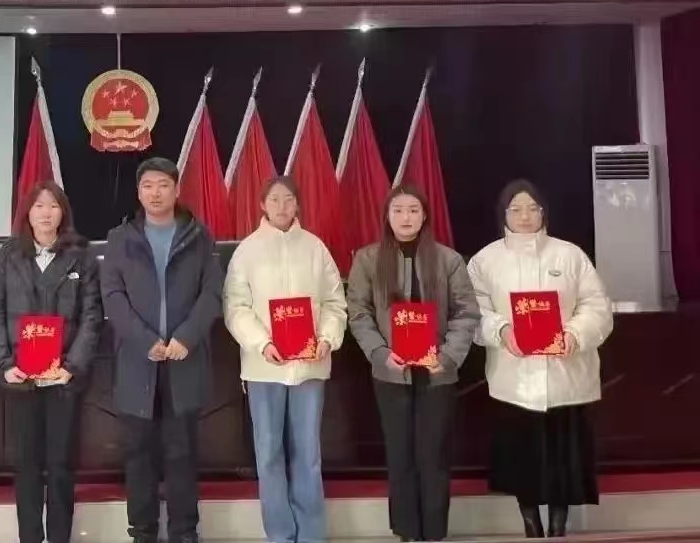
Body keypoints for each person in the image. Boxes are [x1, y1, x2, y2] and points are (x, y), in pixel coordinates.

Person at [468, 180, 613, 539]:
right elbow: (473, 311)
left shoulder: (570, 255)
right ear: (503, 215)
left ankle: (559, 528)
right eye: (516, 209)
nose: (525, 216)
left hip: (566, 377)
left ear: (544, 212)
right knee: (524, 462)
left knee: (564, 462)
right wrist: (503, 331)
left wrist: (574, 335)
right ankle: (531, 526)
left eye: (533, 208)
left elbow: (597, 306)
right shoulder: (485, 261)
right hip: (513, 381)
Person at [346, 184, 480, 543]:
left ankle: (434, 533)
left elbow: (467, 313)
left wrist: (448, 356)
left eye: (413, 210)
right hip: (391, 373)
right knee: (400, 454)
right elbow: (358, 313)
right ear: (387, 217)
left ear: (425, 217)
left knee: (433, 455)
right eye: (398, 211)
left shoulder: (448, 260)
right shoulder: (368, 259)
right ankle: (406, 531)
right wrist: (379, 352)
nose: (406, 218)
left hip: (437, 373)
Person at [101, 157, 223, 543]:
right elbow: (112, 296)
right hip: (138, 362)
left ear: (176, 189)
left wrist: (186, 337)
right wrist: (144, 340)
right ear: (138, 193)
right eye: (148, 186)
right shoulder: (120, 238)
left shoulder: (199, 236)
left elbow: (212, 293)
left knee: (182, 453)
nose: (155, 193)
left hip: (184, 360)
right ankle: (143, 532)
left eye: (163, 185)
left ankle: (184, 532)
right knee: (138, 454)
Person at [223, 176, 348, 543]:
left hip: (309, 366)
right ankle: (280, 533)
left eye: (288, 199)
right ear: (262, 205)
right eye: (274, 199)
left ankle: (311, 534)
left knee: (308, 453)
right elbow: (236, 307)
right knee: (269, 454)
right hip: (265, 368)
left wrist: (327, 338)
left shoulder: (315, 248)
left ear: (298, 205)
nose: (282, 206)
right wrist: (261, 343)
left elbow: (335, 302)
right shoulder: (247, 251)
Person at [0, 181, 103, 543]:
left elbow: (92, 316)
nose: (46, 213)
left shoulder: (81, 257)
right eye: (38, 206)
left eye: (53, 206)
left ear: (63, 212)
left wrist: (72, 366)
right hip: (20, 377)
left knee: (62, 465)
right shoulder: (6, 256)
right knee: (27, 466)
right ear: (27, 213)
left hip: (63, 377)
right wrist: (4, 365)